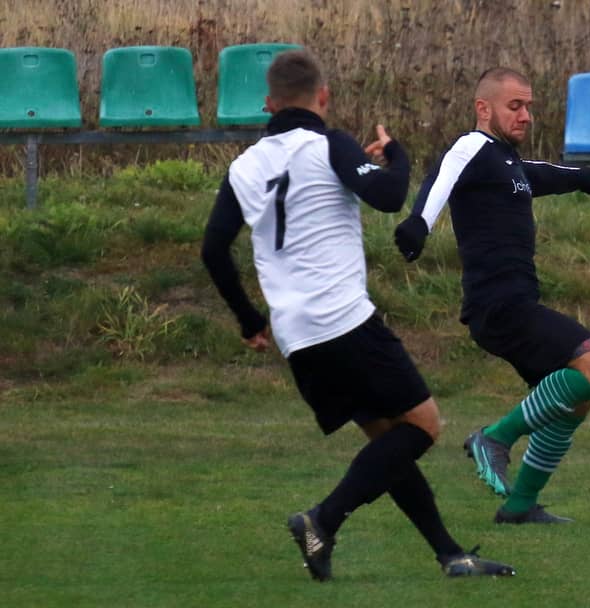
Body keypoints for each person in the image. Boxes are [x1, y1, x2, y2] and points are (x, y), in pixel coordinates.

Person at [200, 49, 516, 581]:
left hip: (297, 336)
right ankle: (321, 519)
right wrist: (398, 156)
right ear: (323, 97)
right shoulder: (330, 144)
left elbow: (213, 251)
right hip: (343, 320)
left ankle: (449, 554)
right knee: (423, 427)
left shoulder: (244, 167)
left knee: (388, 441)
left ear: (268, 104)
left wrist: (249, 320)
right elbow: (389, 197)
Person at [393, 67, 590, 524]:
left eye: (528, 106)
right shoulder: (473, 146)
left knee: (578, 397)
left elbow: (538, 174)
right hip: (498, 306)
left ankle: (519, 507)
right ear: (483, 108)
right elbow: (442, 176)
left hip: (515, 304)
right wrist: (419, 223)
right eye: (515, 106)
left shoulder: (507, 163)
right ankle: (494, 437)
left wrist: (579, 177)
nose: (526, 115)